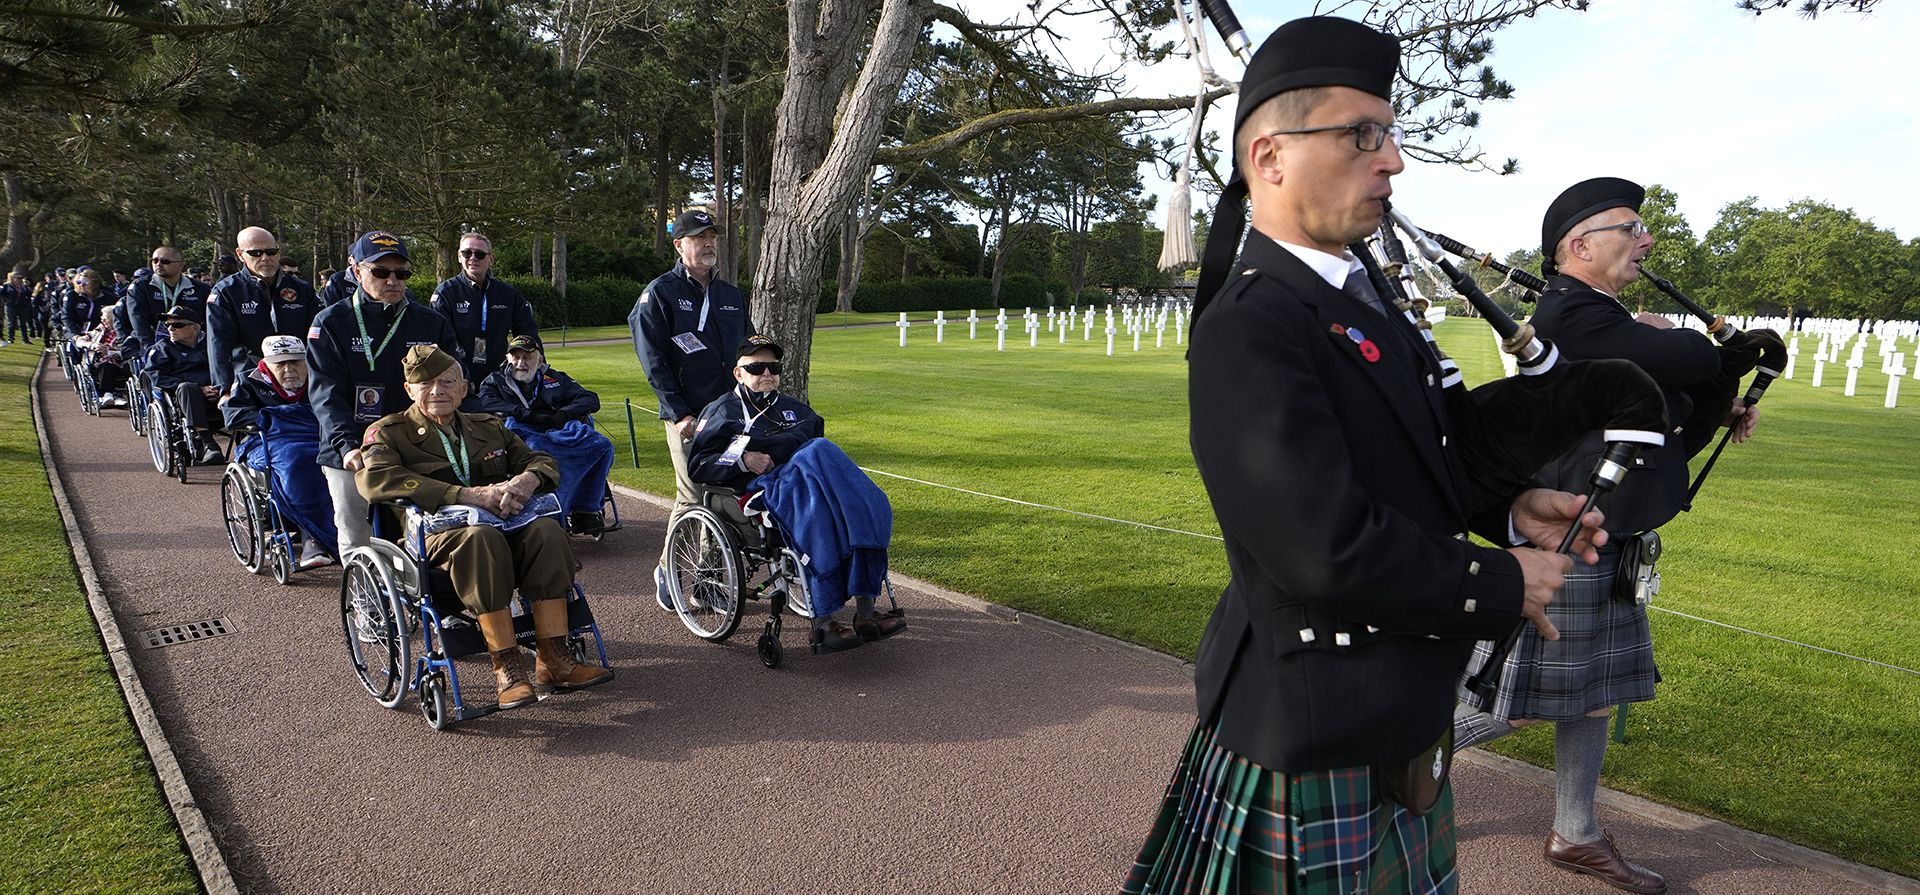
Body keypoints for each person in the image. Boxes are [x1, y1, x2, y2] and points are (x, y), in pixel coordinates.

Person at [1121, 18, 1605, 895]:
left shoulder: (1353, 293)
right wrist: (1501, 582)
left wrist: (1505, 509)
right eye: (1361, 135)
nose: (1392, 160)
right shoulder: (1252, 323)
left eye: (1389, 133)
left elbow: (1415, 457)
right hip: (1316, 723)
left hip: (1385, 711)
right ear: (1269, 158)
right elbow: (1322, 543)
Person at [1448, 178, 1774, 895]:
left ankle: (1576, 832)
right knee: (1511, 694)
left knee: (1593, 692)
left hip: (1614, 530)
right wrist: (1689, 344)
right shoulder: (1570, 317)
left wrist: (1721, 406)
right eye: (1631, 226)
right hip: (1569, 531)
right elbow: (1693, 361)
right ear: (1579, 245)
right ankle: (1389, 769)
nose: (1646, 238)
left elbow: (1674, 420)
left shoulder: (1611, 328)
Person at [357, 345, 613, 706]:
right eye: (425, 384)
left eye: (447, 382)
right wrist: (465, 495)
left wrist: (526, 481)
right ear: (409, 390)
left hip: (502, 527)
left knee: (547, 532)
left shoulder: (489, 427)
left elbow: (540, 460)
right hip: (434, 539)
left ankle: (554, 659)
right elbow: (374, 480)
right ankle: (506, 666)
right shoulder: (388, 432)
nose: (437, 391)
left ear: (463, 388)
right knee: (481, 539)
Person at [686, 335, 904, 652]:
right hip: (763, 487)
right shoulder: (721, 412)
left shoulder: (795, 409)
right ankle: (824, 623)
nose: (766, 374)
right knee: (818, 486)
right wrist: (745, 461)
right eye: (757, 367)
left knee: (861, 509)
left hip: (810, 480)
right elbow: (699, 465)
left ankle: (866, 614)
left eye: (773, 367)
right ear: (738, 373)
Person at [307, 230, 461, 558]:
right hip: (351, 444)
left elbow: (455, 384)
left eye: (401, 273)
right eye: (380, 272)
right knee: (354, 529)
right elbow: (325, 393)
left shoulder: (431, 323)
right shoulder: (331, 322)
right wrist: (346, 445)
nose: (392, 280)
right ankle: (364, 605)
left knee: (430, 526)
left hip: (415, 441)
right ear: (357, 270)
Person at [630, 208, 755, 609]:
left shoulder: (730, 295)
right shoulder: (660, 293)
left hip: (731, 416)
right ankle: (668, 571)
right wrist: (678, 413)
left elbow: (747, 350)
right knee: (693, 495)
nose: (708, 244)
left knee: (723, 495)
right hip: (689, 415)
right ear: (679, 245)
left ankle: (707, 581)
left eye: (712, 236)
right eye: (699, 237)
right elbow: (653, 361)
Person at [475, 335, 614, 534]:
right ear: (507, 358)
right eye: (516, 357)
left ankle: (585, 510)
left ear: (540, 359)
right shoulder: (496, 381)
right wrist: (525, 414)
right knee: (538, 450)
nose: (521, 363)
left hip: (560, 430)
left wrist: (564, 413)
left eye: (528, 357)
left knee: (603, 445)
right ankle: (556, 510)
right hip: (522, 433)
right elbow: (485, 403)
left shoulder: (555, 378)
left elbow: (590, 399)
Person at [225, 334, 335, 570]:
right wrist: (277, 417)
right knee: (298, 461)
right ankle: (312, 535)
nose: (289, 369)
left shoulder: (320, 377)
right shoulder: (248, 380)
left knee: (337, 455)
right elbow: (233, 416)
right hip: (267, 442)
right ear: (266, 364)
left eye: (295, 362)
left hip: (315, 436)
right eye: (280, 364)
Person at [208, 227, 321, 391]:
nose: (265, 258)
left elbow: (317, 339)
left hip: (299, 378)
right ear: (240, 254)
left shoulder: (302, 289)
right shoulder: (226, 291)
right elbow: (218, 344)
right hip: (249, 380)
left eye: (271, 251)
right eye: (256, 253)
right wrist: (224, 388)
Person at [431, 232, 538, 384]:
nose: (472, 258)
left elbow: (528, 333)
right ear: (459, 257)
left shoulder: (508, 294)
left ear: (491, 259)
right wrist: (460, 373)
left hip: (500, 375)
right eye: (467, 253)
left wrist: (536, 365)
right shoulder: (445, 293)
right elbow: (441, 341)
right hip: (459, 376)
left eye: (479, 254)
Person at [146, 303, 226, 464]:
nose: (170, 329)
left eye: (177, 325)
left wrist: (221, 387)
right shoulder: (162, 348)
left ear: (195, 328)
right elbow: (155, 376)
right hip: (185, 398)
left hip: (218, 392)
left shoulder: (213, 344)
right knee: (187, 388)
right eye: (167, 325)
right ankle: (208, 443)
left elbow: (227, 366)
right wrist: (200, 388)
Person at [125, 246, 212, 364]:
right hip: (156, 346)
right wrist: (152, 348)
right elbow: (139, 321)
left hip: (193, 347)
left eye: (165, 261)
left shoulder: (200, 289)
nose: (158, 264)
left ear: (181, 265)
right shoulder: (141, 286)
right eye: (155, 261)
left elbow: (207, 321)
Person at [76, 305, 131, 406]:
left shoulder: (124, 332)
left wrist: (109, 351)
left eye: (105, 318)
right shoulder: (100, 329)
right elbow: (80, 341)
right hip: (100, 362)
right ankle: (107, 394)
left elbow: (128, 350)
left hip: (120, 361)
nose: (103, 321)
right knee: (106, 365)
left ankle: (119, 394)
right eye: (102, 318)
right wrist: (93, 345)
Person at [3, 271, 34, 344]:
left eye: (20, 278)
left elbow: (29, 294)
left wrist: (27, 302)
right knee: (12, 323)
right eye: (18, 278)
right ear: (12, 278)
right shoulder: (7, 286)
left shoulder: (23, 286)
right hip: (11, 306)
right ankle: (11, 338)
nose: (19, 279)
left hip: (22, 306)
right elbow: (3, 295)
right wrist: (8, 301)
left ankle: (25, 339)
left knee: (23, 323)